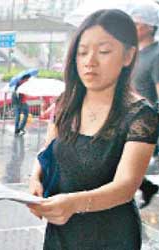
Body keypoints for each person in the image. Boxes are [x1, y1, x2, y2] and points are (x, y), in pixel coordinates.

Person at [28, 9, 158, 249]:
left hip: (111, 236)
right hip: (61, 233)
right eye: (82, 52)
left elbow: (126, 187)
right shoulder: (66, 102)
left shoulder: (141, 115)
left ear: (128, 56)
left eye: (104, 51)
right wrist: (35, 178)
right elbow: (47, 152)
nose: (90, 61)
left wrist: (73, 204)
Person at [129, 3, 159, 208]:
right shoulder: (135, 53)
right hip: (133, 116)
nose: (132, 26)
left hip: (149, 120)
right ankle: (146, 186)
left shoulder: (156, 55)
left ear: (149, 26)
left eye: (137, 22)